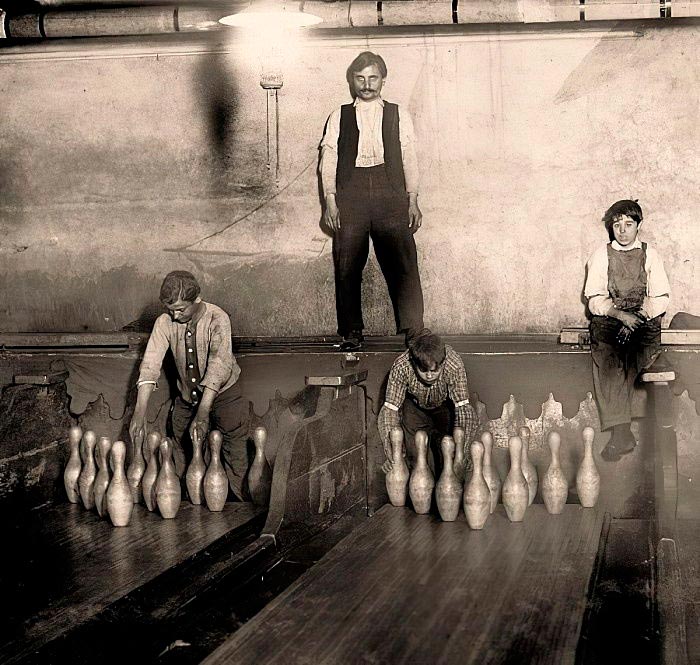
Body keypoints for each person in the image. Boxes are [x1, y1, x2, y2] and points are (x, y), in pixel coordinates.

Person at [320, 51, 425, 352]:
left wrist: (412, 199)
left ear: (383, 80)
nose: (366, 84)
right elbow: (329, 160)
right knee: (347, 262)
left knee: (403, 261)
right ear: (352, 81)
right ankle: (351, 332)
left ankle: (414, 329)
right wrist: (330, 201)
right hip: (350, 194)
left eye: (373, 78)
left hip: (389, 191)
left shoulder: (398, 114)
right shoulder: (338, 116)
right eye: (360, 78)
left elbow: (410, 157)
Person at [129, 271, 251, 499]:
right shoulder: (164, 322)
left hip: (225, 395)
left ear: (197, 300)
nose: (174, 316)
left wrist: (203, 412)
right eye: (170, 309)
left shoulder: (218, 318)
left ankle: (240, 506)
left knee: (235, 455)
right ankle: (186, 505)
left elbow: (219, 366)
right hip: (187, 398)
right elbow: (150, 364)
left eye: (180, 309)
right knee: (181, 449)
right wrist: (139, 412)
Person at [584, 200, 670, 461]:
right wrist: (620, 316)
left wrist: (638, 317)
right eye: (616, 225)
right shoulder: (601, 255)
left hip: (643, 320)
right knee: (609, 359)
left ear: (638, 226)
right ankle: (622, 432)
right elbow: (594, 298)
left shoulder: (650, 254)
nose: (622, 230)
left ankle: (621, 434)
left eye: (628, 224)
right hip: (612, 319)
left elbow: (661, 297)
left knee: (634, 355)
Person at [378, 330, 479, 475]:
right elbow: (389, 410)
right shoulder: (401, 365)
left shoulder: (454, 364)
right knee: (414, 456)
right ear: (414, 363)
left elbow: (463, 409)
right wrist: (392, 452)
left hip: (445, 407)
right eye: (423, 370)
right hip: (415, 407)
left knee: (448, 452)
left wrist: (464, 451)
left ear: (443, 363)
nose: (429, 375)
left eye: (434, 370)